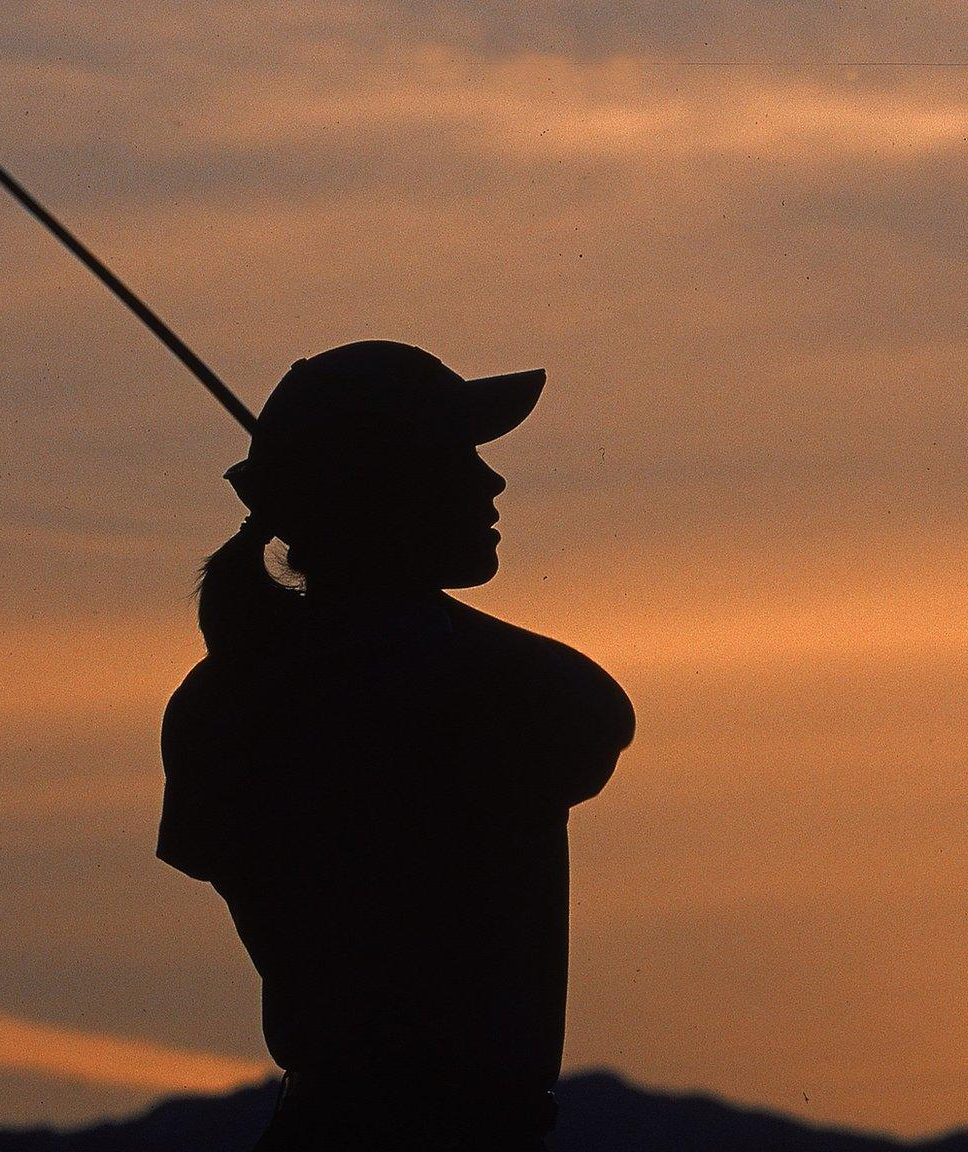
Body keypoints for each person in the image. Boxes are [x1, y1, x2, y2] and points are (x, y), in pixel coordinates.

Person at [155, 341, 635, 1150]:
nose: (492, 482)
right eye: (457, 459)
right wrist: (392, 586)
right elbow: (595, 715)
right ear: (387, 491)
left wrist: (378, 573)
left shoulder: (233, 691)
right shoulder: (429, 685)